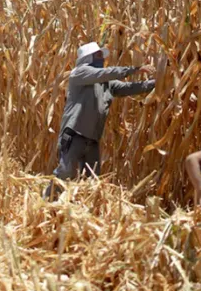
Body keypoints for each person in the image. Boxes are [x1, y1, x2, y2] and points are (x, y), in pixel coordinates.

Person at [43, 41, 155, 201]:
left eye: (102, 56)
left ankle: (85, 212)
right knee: (65, 172)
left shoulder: (106, 83)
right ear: (87, 58)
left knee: (92, 180)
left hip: (92, 138)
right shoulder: (79, 73)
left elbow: (129, 88)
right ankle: (46, 203)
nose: (101, 59)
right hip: (74, 133)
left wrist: (156, 83)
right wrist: (135, 69)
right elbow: (103, 74)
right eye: (98, 55)